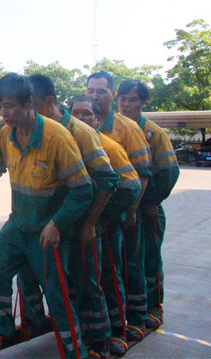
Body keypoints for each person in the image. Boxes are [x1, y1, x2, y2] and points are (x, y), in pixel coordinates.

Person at [0, 73, 92, 358]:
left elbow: (83, 190)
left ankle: (75, 350)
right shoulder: (5, 135)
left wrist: (57, 224)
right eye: (0, 106)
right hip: (18, 224)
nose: (4, 113)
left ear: (28, 103)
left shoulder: (57, 138)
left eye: (9, 106)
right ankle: (3, 331)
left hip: (47, 228)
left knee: (57, 296)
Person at [28, 74, 119, 358]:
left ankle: (100, 341)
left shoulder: (81, 132)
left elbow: (108, 180)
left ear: (48, 102)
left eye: (30, 104)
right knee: (61, 285)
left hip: (81, 225)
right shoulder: (38, 130)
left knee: (88, 283)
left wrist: (91, 223)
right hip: (55, 226)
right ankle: (64, 334)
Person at [70, 96, 142, 355]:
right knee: (84, 281)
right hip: (79, 227)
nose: (80, 118)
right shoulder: (68, 143)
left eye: (87, 114)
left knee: (109, 277)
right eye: (75, 113)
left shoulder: (108, 146)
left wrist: (101, 218)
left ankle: (117, 330)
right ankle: (88, 330)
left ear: (98, 120)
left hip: (104, 226)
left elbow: (131, 187)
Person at [86, 71, 152, 345]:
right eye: (90, 90)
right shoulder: (85, 123)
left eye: (101, 91)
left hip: (121, 211)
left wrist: (132, 210)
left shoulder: (127, 128)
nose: (94, 96)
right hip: (95, 214)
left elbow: (142, 175)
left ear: (111, 94)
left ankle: (132, 320)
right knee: (102, 271)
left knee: (126, 266)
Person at [117, 81, 179, 329]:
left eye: (132, 100)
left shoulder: (155, 133)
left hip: (146, 210)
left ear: (143, 103)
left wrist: (152, 200)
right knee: (126, 261)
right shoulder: (111, 129)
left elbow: (169, 172)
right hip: (122, 209)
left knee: (149, 260)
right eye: (122, 99)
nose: (126, 104)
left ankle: (154, 307)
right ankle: (128, 309)